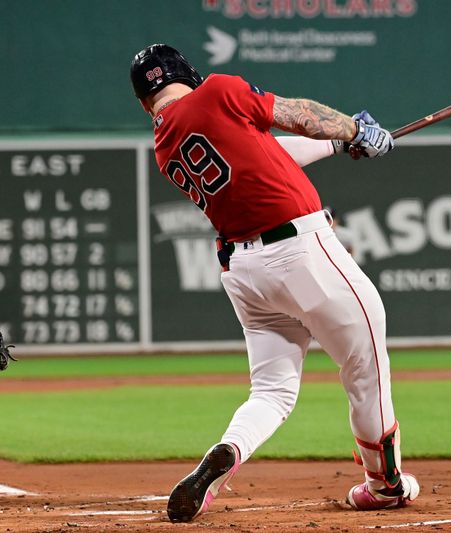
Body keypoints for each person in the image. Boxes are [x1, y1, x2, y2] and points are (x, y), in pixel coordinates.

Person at [130, 44, 419, 522]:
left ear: (145, 102)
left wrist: (340, 142)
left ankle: (226, 452)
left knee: (271, 391)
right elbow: (297, 114)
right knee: (365, 363)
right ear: (189, 74)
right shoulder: (218, 91)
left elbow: (267, 152)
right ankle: (384, 485)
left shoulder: (165, 145)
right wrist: (355, 128)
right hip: (301, 251)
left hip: (247, 272)